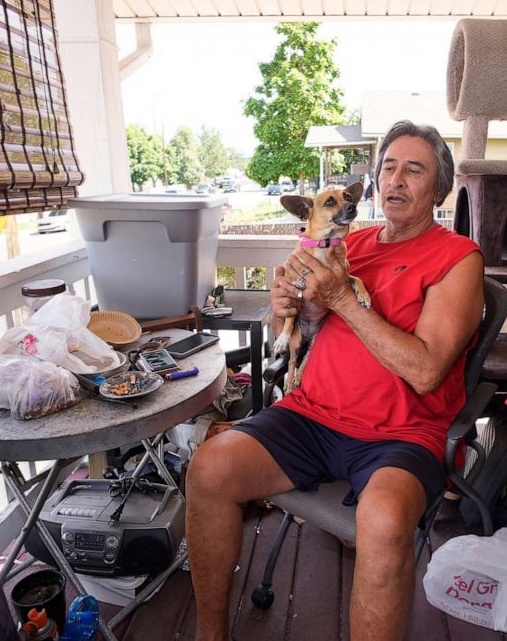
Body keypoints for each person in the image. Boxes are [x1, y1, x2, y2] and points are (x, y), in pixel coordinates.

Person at [185, 120, 484, 641]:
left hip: (399, 434)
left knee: (386, 523)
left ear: (439, 189)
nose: (395, 180)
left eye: (414, 170)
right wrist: (289, 310)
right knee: (209, 468)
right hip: (311, 415)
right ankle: (210, 635)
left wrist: (344, 298)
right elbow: (305, 324)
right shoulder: (353, 242)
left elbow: (426, 370)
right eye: (388, 167)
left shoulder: (457, 259)